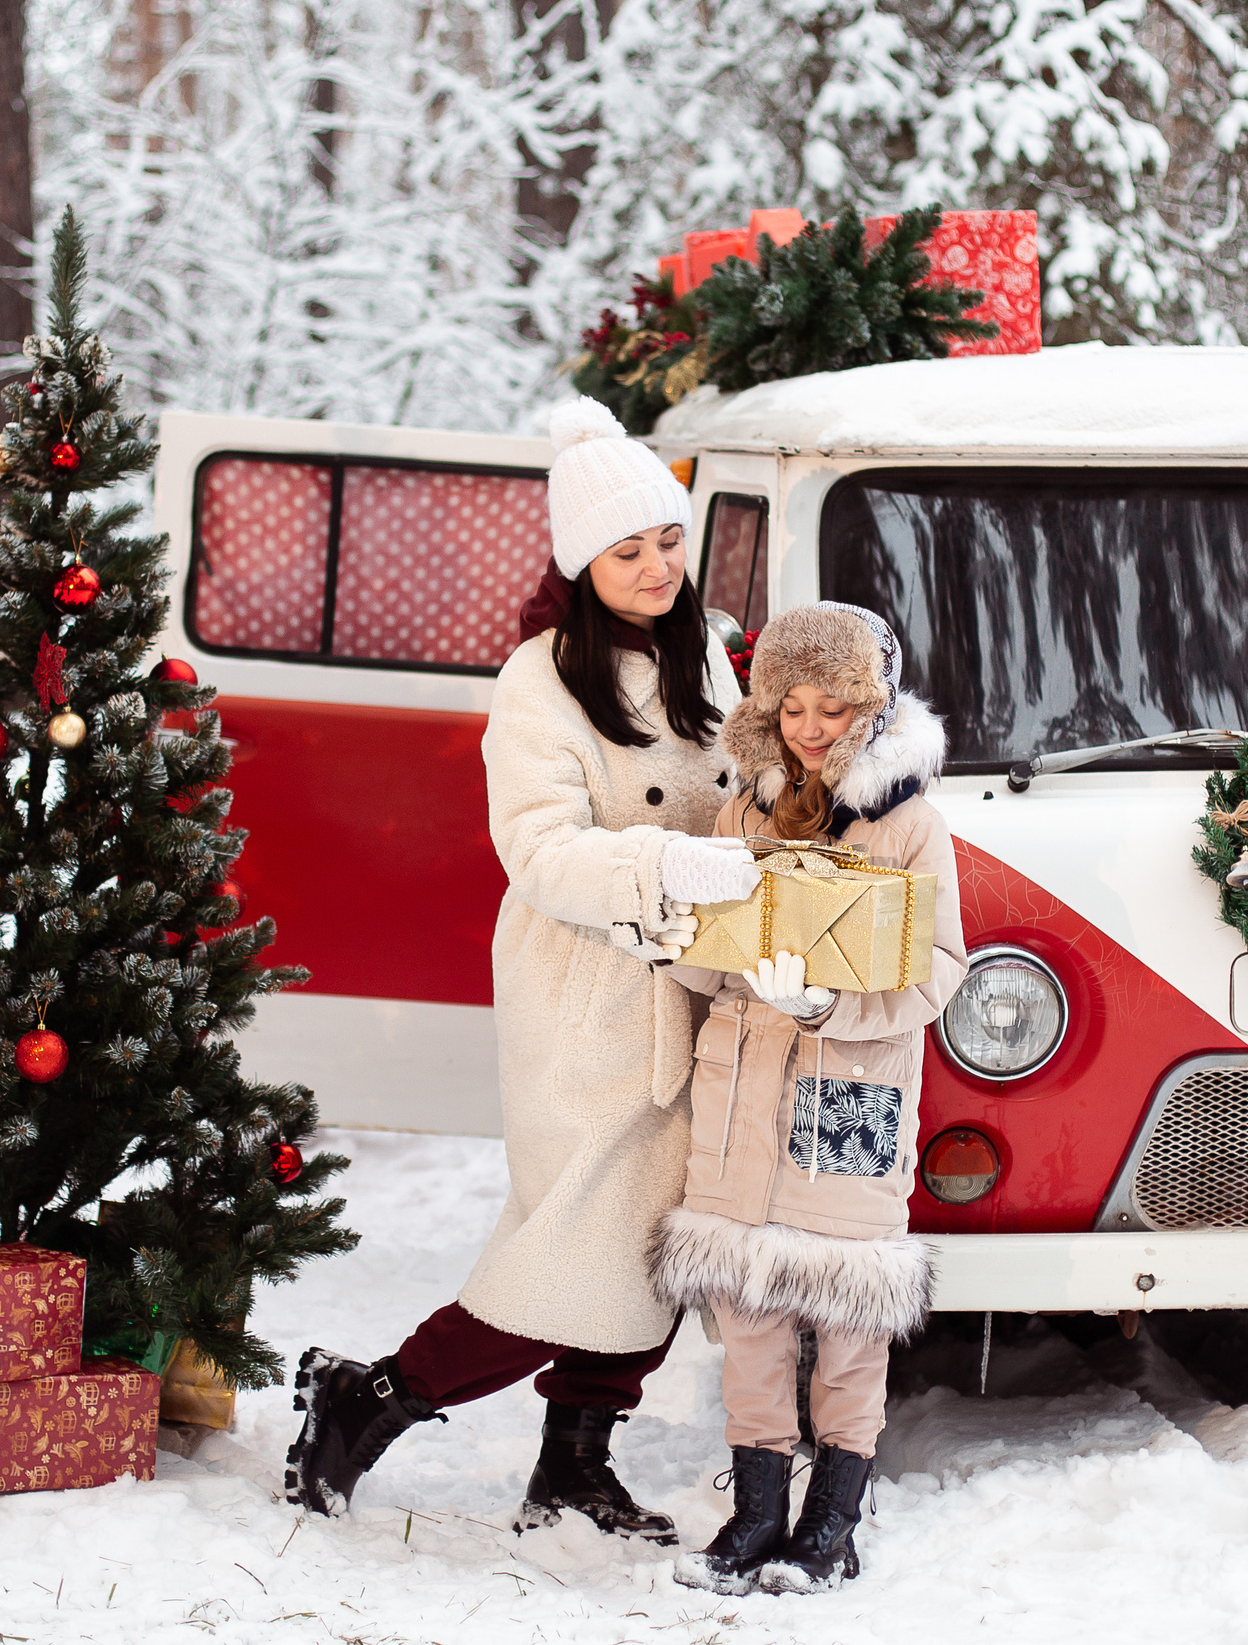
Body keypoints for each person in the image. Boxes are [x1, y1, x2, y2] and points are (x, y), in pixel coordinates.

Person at [284, 396, 760, 1541]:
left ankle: (574, 1462)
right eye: (624, 549)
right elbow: (539, 852)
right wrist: (674, 867)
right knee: (565, 1254)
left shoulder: (708, 654)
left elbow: (736, 802)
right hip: (589, 999)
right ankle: (365, 1399)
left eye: (664, 540)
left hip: (693, 991)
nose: (653, 566)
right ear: (580, 563)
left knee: (658, 1253)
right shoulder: (539, 678)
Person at [650, 602, 965, 1595]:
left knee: (845, 1328)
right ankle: (753, 1517)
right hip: (740, 1092)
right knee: (747, 1323)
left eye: (835, 705)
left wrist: (834, 1003)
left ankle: (830, 1521)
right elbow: (705, 961)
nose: (813, 725)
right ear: (770, 705)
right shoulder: (740, 806)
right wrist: (680, 942)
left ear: (869, 707)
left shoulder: (910, 821)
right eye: (794, 705)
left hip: (847, 1094)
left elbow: (940, 969)